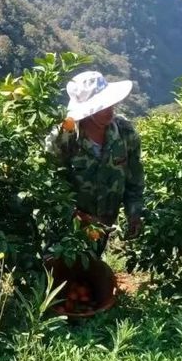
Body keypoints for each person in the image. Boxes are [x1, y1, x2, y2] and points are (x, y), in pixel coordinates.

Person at [46, 71, 144, 255]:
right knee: (61, 276)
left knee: (90, 274)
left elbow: (134, 181)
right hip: (66, 229)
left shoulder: (125, 133)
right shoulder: (63, 139)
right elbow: (50, 187)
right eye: (101, 106)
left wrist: (134, 213)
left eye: (109, 103)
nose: (109, 109)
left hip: (102, 228)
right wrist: (78, 217)